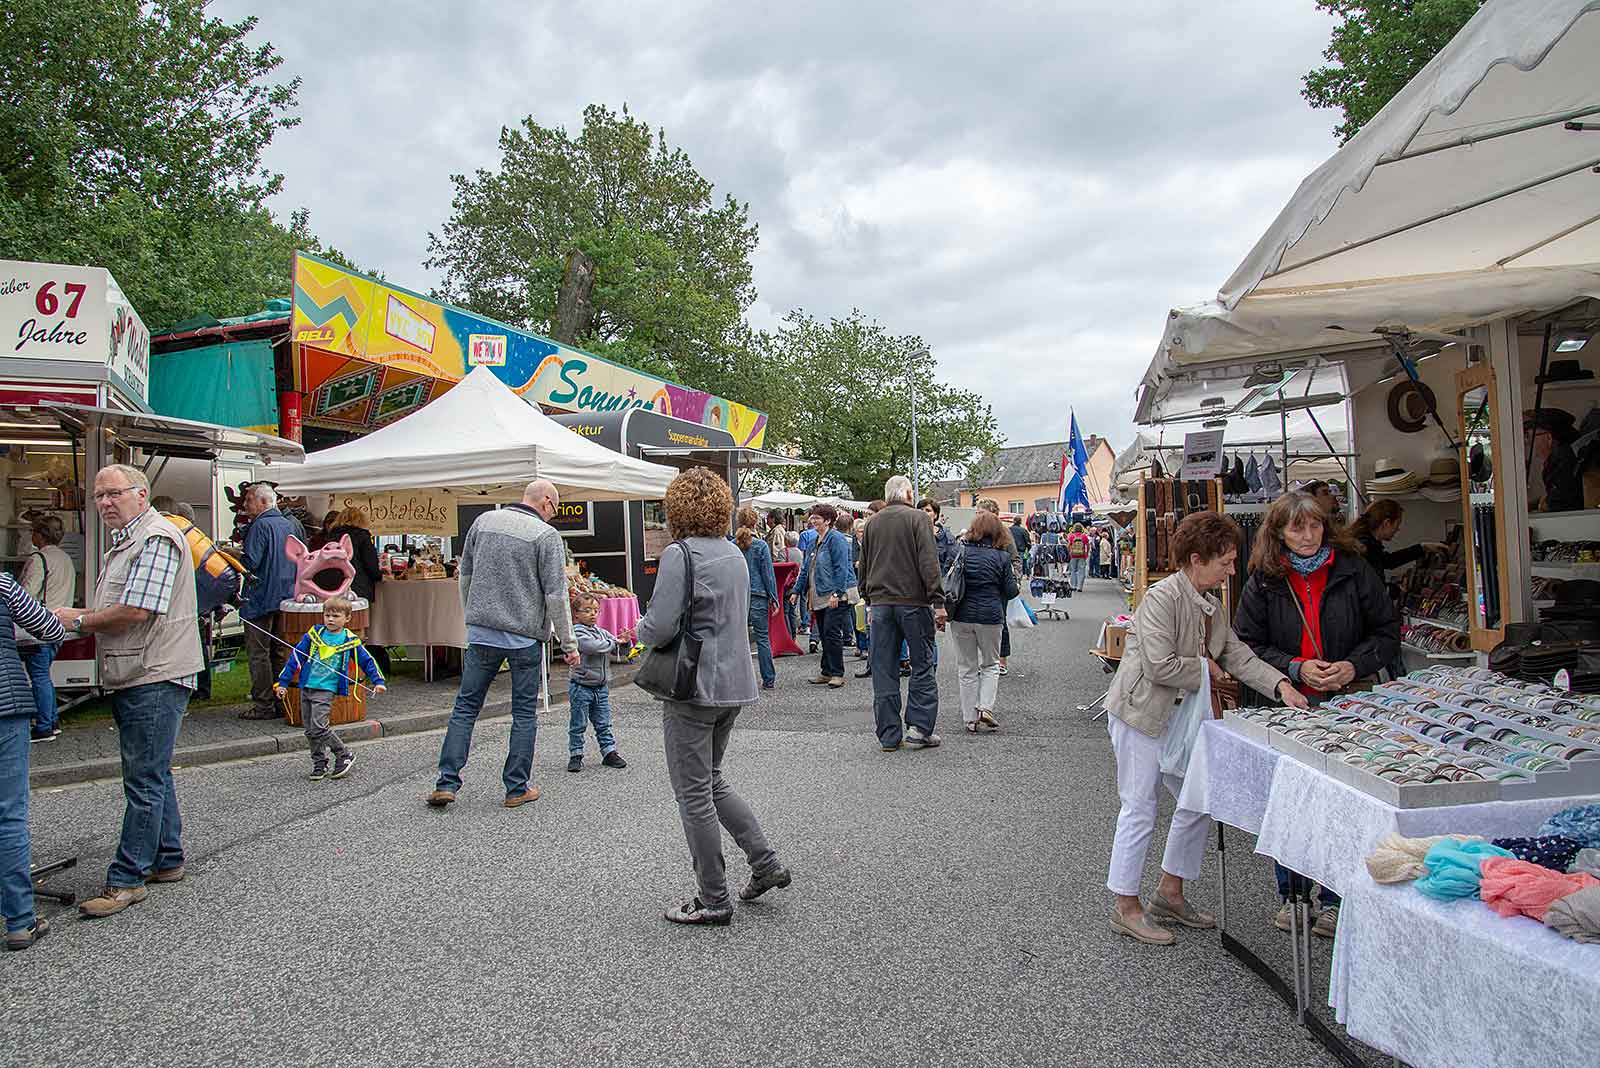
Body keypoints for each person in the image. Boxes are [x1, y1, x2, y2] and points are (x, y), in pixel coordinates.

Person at [1104, 510, 1307, 946]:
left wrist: (1282, 685)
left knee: (1197, 801)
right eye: (1226, 561)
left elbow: (1238, 655)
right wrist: (1206, 670)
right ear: (1197, 559)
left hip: (1179, 718)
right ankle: (1126, 906)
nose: (1232, 569)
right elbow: (1160, 666)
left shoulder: (1211, 606)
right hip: (1140, 715)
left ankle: (1170, 892)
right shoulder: (1162, 598)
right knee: (1139, 807)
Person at [1233, 490, 1399, 938]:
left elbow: (1386, 631)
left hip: (1346, 704)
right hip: (1286, 703)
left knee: (1341, 803)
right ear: (1278, 533)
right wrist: (1294, 667)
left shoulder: (1353, 570)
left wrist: (1354, 665)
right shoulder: (1264, 582)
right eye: (1297, 527)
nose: (1308, 536)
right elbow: (1244, 645)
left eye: (1315, 525)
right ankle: (1292, 894)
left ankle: (1334, 896)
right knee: (1289, 799)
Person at [636, 468, 788, 926]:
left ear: (676, 509)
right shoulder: (734, 554)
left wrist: (637, 630)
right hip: (733, 684)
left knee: (693, 794)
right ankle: (765, 863)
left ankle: (713, 896)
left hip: (692, 686)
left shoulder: (679, 555)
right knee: (712, 780)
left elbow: (661, 626)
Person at [56, 464, 207, 920]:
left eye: (113, 494)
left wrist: (76, 618)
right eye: (98, 496)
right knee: (154, 772)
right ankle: (167, 859)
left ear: (141, 495)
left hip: (154, 672)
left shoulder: (155, 538)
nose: (104, 503)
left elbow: (139, 610)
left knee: (143, 778)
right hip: (145, 669)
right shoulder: (133, 539)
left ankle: (127, 879)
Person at [426, 479, 579, 810]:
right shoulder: (546, 536)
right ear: (547, 503)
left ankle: (446, 782)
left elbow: (464, 575)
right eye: (555, 508)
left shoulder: (484, 522)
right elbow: (556, 594)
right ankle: (516, 788)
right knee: (524, 712)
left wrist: (472, 617)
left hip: (482, 633)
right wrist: (569, 643)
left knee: (466, 708)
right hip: (523, 637)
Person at [1, 570, 67, 949]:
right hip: (5, 704)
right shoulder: (3, 584)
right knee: (8, 815)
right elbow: (49, 628)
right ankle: (20, 921)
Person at [859, 475, 946, 751]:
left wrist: (867, 596)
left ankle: (888, 735)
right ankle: (919, 729)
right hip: (914, 603)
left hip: (881, 603)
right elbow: (929, 562)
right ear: (909, 494)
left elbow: (864, 565)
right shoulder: (919, 519)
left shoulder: (872, 522)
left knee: (884, 668)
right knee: (922, 664)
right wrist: (938, 601)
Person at [274, 594, 385, 782]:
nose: (331, 620)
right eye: (327, 615)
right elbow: (295, 658)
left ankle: (343, 754)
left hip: (326, 689)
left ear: (347, 618)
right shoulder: (314, 635)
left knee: (319, 725)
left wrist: (378, 681)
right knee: (310, 730)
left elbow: (367, 661)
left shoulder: (349, 640)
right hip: (307, 686)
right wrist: (283, 682)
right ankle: (319, 763)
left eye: (336, 616)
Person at [949, 510, 1019, 734]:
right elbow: (1011, 591)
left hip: (961, 615)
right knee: (990, 665)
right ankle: (985, 708)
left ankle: (970, 719)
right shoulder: (1002, 557)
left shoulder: (961, 552)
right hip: (991, 617)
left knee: (966, 667)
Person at [239, 483, 300, 721]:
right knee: (279, 650)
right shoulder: (289, 524)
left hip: (261, 596)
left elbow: (250, 563)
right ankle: (282, 700)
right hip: (285, 595)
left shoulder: (260, 525)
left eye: (249, 500)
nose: (245, 505)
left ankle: (264, 704)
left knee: (258, 652)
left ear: (263, 502)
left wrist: (232, 555)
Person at [16, 514, 74, 742]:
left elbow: (26, 594)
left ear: (40, 535)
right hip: (60, 625)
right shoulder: (65, 559)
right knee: (44, 675)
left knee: (38, 675)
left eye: (33, 532)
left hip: (38, 627)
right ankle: (51, 721)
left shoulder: (39, 559)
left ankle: (44, 727)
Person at [793, 504, 855, 688]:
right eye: (812, 517)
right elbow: (805, 568)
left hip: (835, 594)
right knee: (825, 632)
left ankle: (837, 673)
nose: (812, 521)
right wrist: (797, 591)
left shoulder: (836, 539)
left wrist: (837, 593)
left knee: (831, 633)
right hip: (819, 594)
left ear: (828, 520)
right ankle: (827, 671)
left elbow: (842, 568)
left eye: (816, 518)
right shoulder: (814, 541)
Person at [324, 507, 388, 675]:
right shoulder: (362, 537)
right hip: (358, 587)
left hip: (334, 586)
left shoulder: (330, 537)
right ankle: (356, 671)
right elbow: (371, 566)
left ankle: (335, 667)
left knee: (336, 628)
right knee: (358, 630)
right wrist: (380, 576)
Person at [566, 592, 627, 772]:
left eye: (596, 610)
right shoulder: (576, 632)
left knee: (604, 722)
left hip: (600, 687)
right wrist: (613, 643)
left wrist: (623, 643)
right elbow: (591, 647)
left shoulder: (602, 632)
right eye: (587, 610)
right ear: (576, 614)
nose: (593, 614)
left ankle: (609, 752)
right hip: (581, 686)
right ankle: (576, 754)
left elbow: (617, 648)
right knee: (578, 723)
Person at [1349, 500, 1447, 588]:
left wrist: (1422, 547)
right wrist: (1394, 590)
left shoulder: (1369, 541)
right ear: (1387, 523)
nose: (1397, 530)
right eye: (1397, 525)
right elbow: (1371, 588)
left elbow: (1387, 561)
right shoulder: (1364, 546)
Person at [735, 506, 778, 691]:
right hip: (758, 595)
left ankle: (739, 680)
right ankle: (768, 678)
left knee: (737, 639)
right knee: (762, 638)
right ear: (755, 522)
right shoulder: (760, 545)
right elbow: (768, 574)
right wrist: (773, 597)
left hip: (737, 596)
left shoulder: (732, 544)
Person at [920, 498, 957, 572]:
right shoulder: (910, 534)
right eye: (920, 510)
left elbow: (951, 563)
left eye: (928, 510)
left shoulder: (946, 536)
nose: (923, 513)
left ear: (935, 515)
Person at [1065, 522, 1092, 590]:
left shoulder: (1071, 536)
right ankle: (1080, 587)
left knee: (1073, 571)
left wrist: (1068, 553)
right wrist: (1086, 553)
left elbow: (1068, 546)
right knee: (1081, 571)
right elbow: (1088, 546)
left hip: (1073, 555)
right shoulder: (1084, 536)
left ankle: (1074, 586)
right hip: (1082, 555)